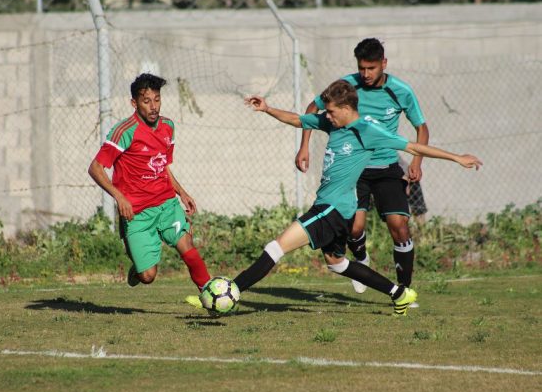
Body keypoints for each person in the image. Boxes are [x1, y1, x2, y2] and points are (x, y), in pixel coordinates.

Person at [189, 80, 481, 316]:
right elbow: (297, 119)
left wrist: (457, 158)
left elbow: (415, 146)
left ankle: (227, 294)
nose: (325, 117)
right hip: (332, 208)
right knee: (337, 263)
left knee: (276, 247)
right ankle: (400, 293)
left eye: (330, 112)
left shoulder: (368, 131)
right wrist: (267, 109)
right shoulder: (332, 123)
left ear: (346, 107)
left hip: (333, 209)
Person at [296, 38, 429, 296]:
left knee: (399, 226)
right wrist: (304, 146)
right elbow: (313, 108)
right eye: (362, 68)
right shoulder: (347, 86)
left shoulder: (400, 91)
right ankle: (361, 257)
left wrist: (416, 162)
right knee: (355, 228)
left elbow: (421, 128)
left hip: (388, 166)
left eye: (372, 68)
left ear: (384, 64)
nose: (366, 74)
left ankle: (405, 290)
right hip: (354, 168)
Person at [88, 73, 211, 292]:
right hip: (137, 212)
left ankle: (211, 294)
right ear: (134, 103)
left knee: (187, 245)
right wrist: (119, 197)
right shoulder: (124, 131)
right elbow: (95, 168)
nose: (153, 106)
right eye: (147, 101)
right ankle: (137, 263)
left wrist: (182, 193)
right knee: (147, 276)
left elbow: (161, 166)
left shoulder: (168, 127)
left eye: (157, 100)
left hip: (166, 204)